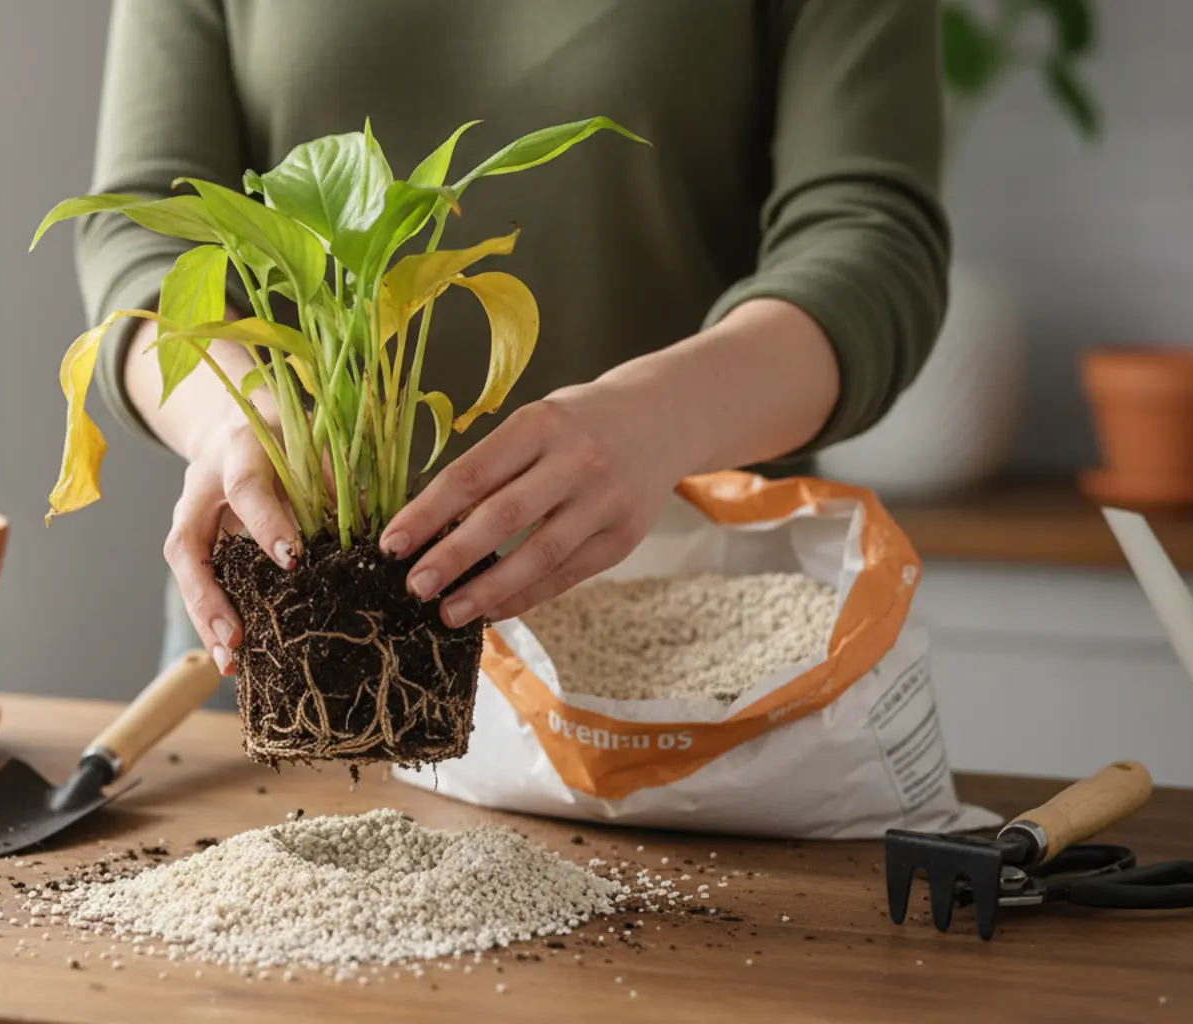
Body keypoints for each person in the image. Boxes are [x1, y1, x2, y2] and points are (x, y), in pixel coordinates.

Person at [74, 0, 948, 677]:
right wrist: (240, 421)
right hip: (295, 626)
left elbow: (869, 242)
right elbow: (145, 227)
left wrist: (658, 420)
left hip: (680, 636)